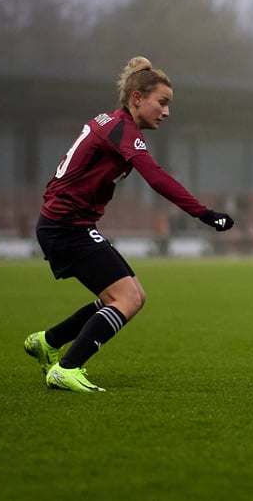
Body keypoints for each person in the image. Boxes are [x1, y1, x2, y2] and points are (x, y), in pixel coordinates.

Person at [25, 56, 235, 392]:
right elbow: (156, 178)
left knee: (129, 295)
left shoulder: (113, 123)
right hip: (67, 226)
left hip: (64, 222)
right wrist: (205, 214)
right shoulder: (122, 130)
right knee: (128, 300)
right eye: (162, 103)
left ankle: (48, 341)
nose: (166, 112)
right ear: (137, 98)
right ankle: (67, 367)